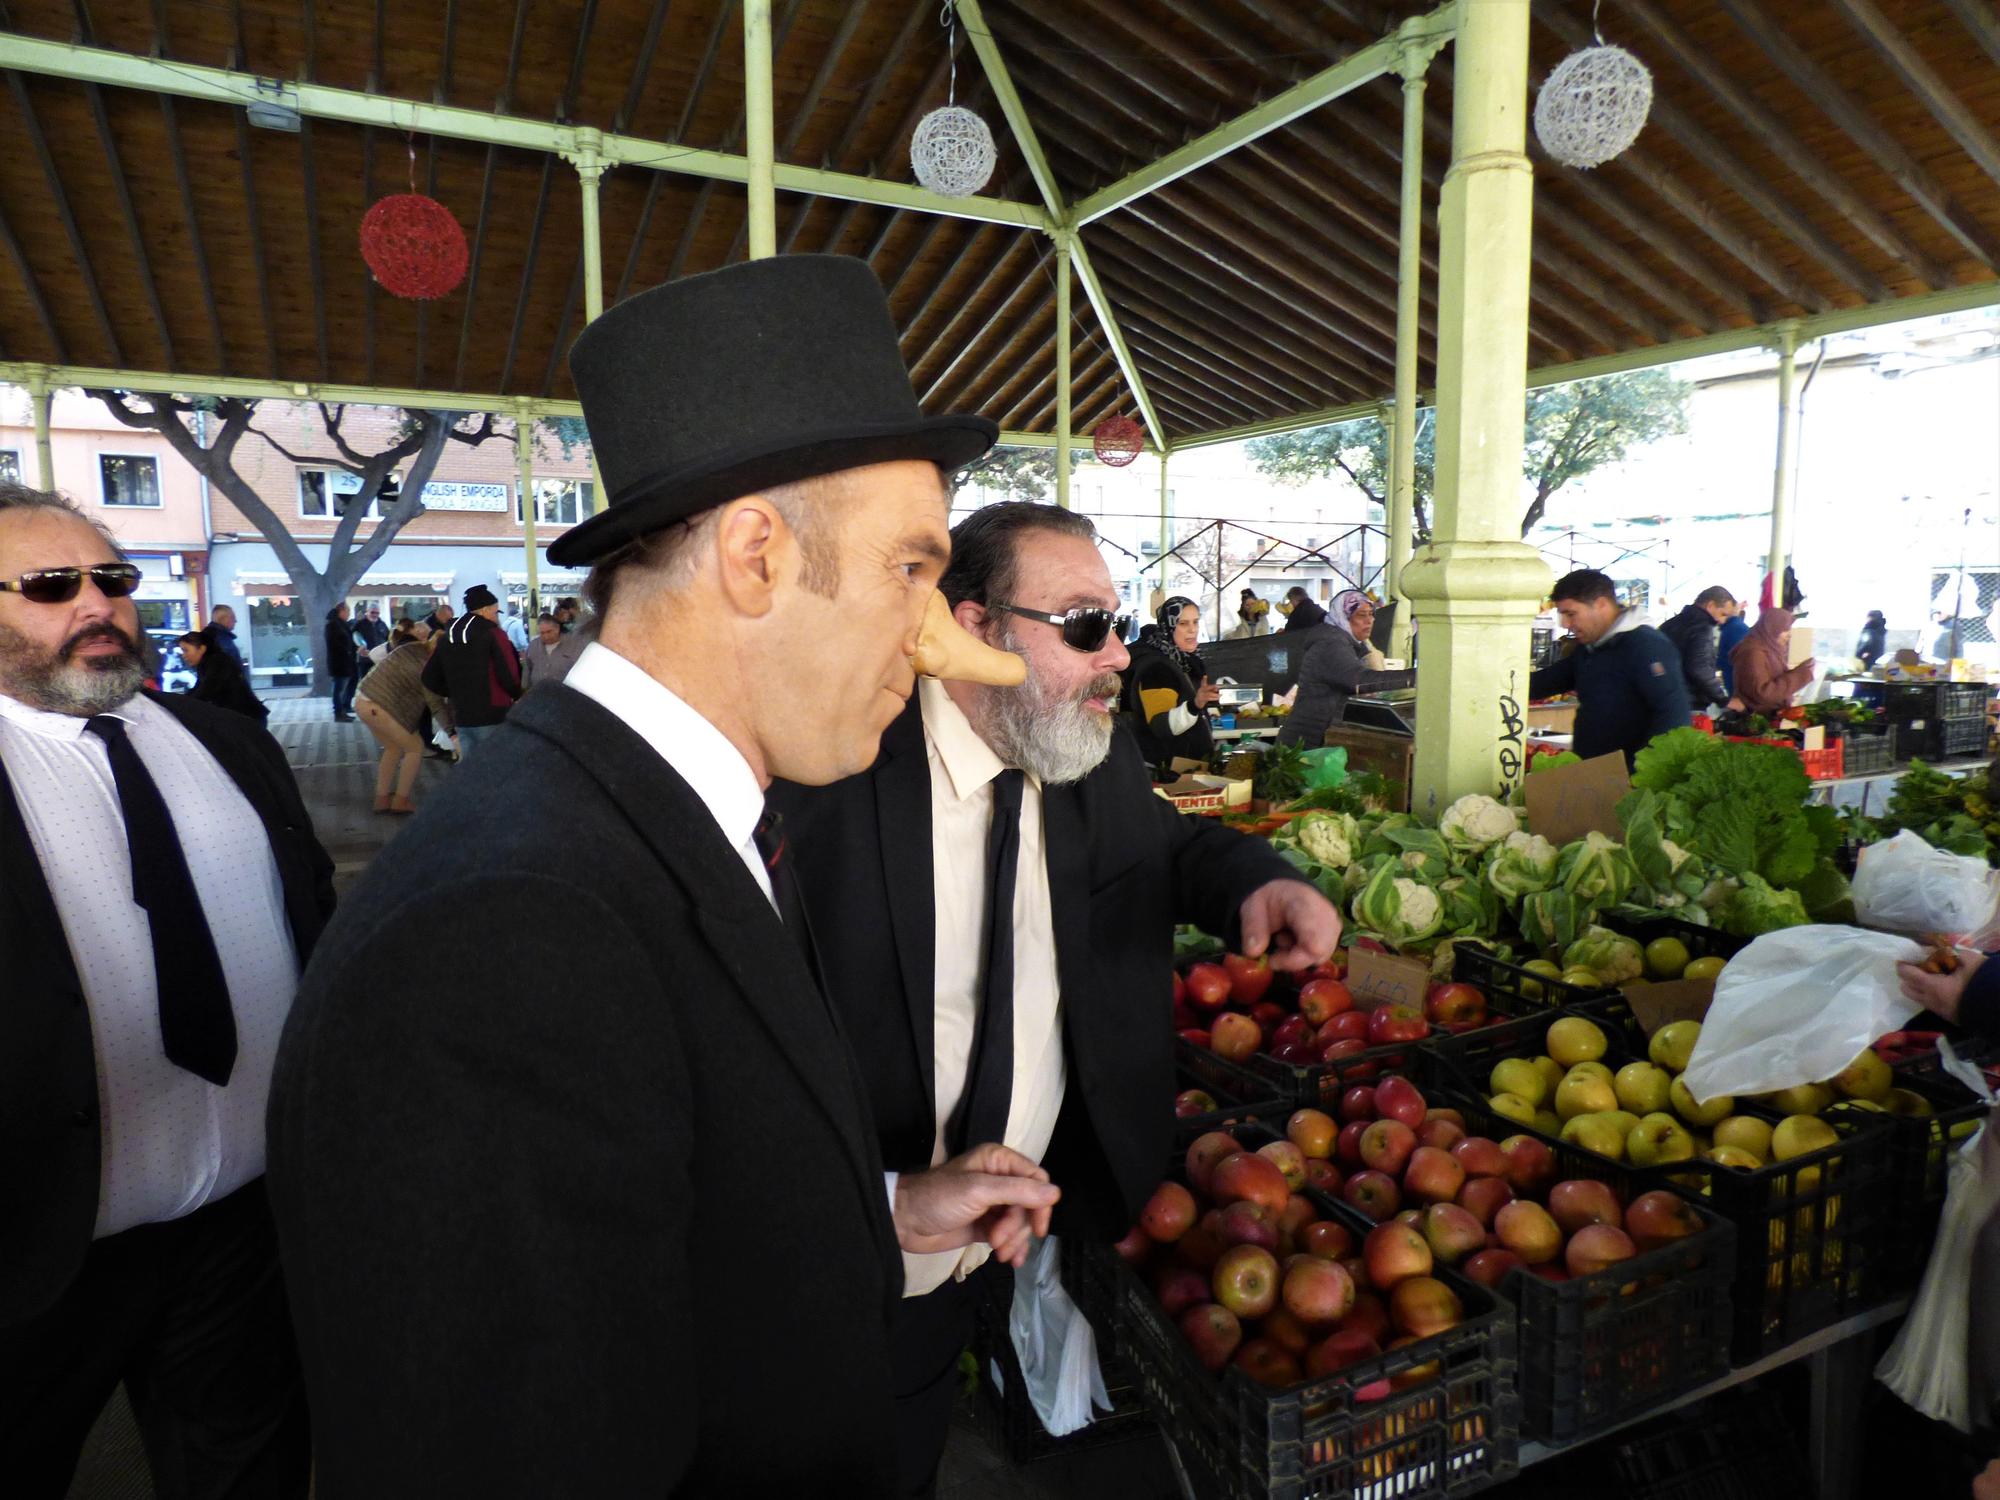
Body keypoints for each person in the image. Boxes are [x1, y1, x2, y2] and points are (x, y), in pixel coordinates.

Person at [266, 254, 1068, 1499]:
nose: (937, 636)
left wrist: (879, 1208)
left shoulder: (669, 819)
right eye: (911, 570)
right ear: (752, 555)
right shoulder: (510, 930)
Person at [771, 501, 1340, 1498]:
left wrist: (1256, 879)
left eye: (1115, 625)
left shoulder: (1084, 751)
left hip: (1005, 1241)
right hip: (825, 1265)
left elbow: (1162, 847)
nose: (1119, 655)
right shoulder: (828, 776)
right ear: (971, 628)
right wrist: (881, 1204)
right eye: (1084, 626)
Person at [0, 481, 333, 1498]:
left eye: (112, 578)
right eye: (54, 586)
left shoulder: (230, 744)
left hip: (245, 1240)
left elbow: (313, 932)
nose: (96, 605)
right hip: (34, 1261)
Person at [1527, 569, 1690, 768]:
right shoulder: (1590, 648)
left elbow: (1673, 714)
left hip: (1629, 779)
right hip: (1594, 772)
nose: (1566, 624)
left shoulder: (1647, 646)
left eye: (1571, 614)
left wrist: (1643, 775)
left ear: (1601, 604)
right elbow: (1547, 682)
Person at [1278, 589, 1410, 749]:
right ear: (1343, 617)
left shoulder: (1347, 643)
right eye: (1362, 615)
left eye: (1371, 614)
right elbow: (1358, 680)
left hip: (1319, 741)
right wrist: (1416, 676)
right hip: (1305, 745)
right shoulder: (1330, 644)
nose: (1370, 621)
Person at [420, 584, 521, 758]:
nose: (496, 616)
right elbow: (509, 673)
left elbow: (428, 677)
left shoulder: (447, 636)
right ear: (484, 610)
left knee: (471, 771)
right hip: (493, 713)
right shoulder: (494, 634)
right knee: (496, 769)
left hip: (461, 714)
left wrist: (454, 691)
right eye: (495, 611)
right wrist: (518, 694)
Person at [1122, 593, 1217, 771]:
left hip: (1187, 768)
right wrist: (1196, 705)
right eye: (1183, 623)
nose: (1192, 630)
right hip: (1167, 773)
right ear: (1168, 627)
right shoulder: (1156, 668)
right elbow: (1162, 726)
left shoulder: (1186, 662)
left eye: (1195, 622)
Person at [353, 628, 441, 814]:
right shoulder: (426, 665)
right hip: (381, 705)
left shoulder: (410, 648)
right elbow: (434, 700)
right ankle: (401, 800)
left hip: (362, 699)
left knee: (393, 748)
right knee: (415, 748)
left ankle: (382, 798)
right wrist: (451, 731)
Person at [1658, 586, 1745, 717]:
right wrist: (1724, 699)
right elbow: (1699, 668)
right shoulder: (1702, 628)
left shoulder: (1670, 624)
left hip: (1665, 698)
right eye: (1723, 614)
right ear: (1710, 605)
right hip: (1689, 703)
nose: (1722, 621)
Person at [1731, 607, 1816, 716]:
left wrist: (1802, 670)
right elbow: (1763, 693)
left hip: (1768, 715)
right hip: (1757, 719)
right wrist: (1802, 675)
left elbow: (1775, 679)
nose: (1789, 635)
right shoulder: (1754, 652)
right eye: (1785, 630)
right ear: (1772, 629)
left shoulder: (1770, 649)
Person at [179, 629, 267, 722]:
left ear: (202, 649)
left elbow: (206, 690)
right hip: (240, 717)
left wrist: (184, 705)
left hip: (247, 719)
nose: (184, 655)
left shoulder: (217, 662)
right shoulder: (207, 663)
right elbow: (199, 688)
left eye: (186, 650)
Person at [521, 610, 585, 691]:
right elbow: (527, 670)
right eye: (542, 633)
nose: (546, 636)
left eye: (549, 632)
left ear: (557, 628)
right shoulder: (533, 646)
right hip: (538, 695)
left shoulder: (574, 645)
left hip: (564, 695)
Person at [322, 602, 358, 721]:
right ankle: (338, 713)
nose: (348, 614)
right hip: (339, 663)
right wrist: (347, 651)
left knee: (342, 688)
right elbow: (335, 644)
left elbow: (349, 641)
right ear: (341, 611)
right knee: (339, 689)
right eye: (347, 611)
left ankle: (342, 711)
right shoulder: (333, 625)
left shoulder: (342, 624)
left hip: (345, 662)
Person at [1718, 597, 1750, 697]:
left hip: (1737, 685)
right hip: (1734, 681)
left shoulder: (1735, 628)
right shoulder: (1733, 627)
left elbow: (1740, 659)